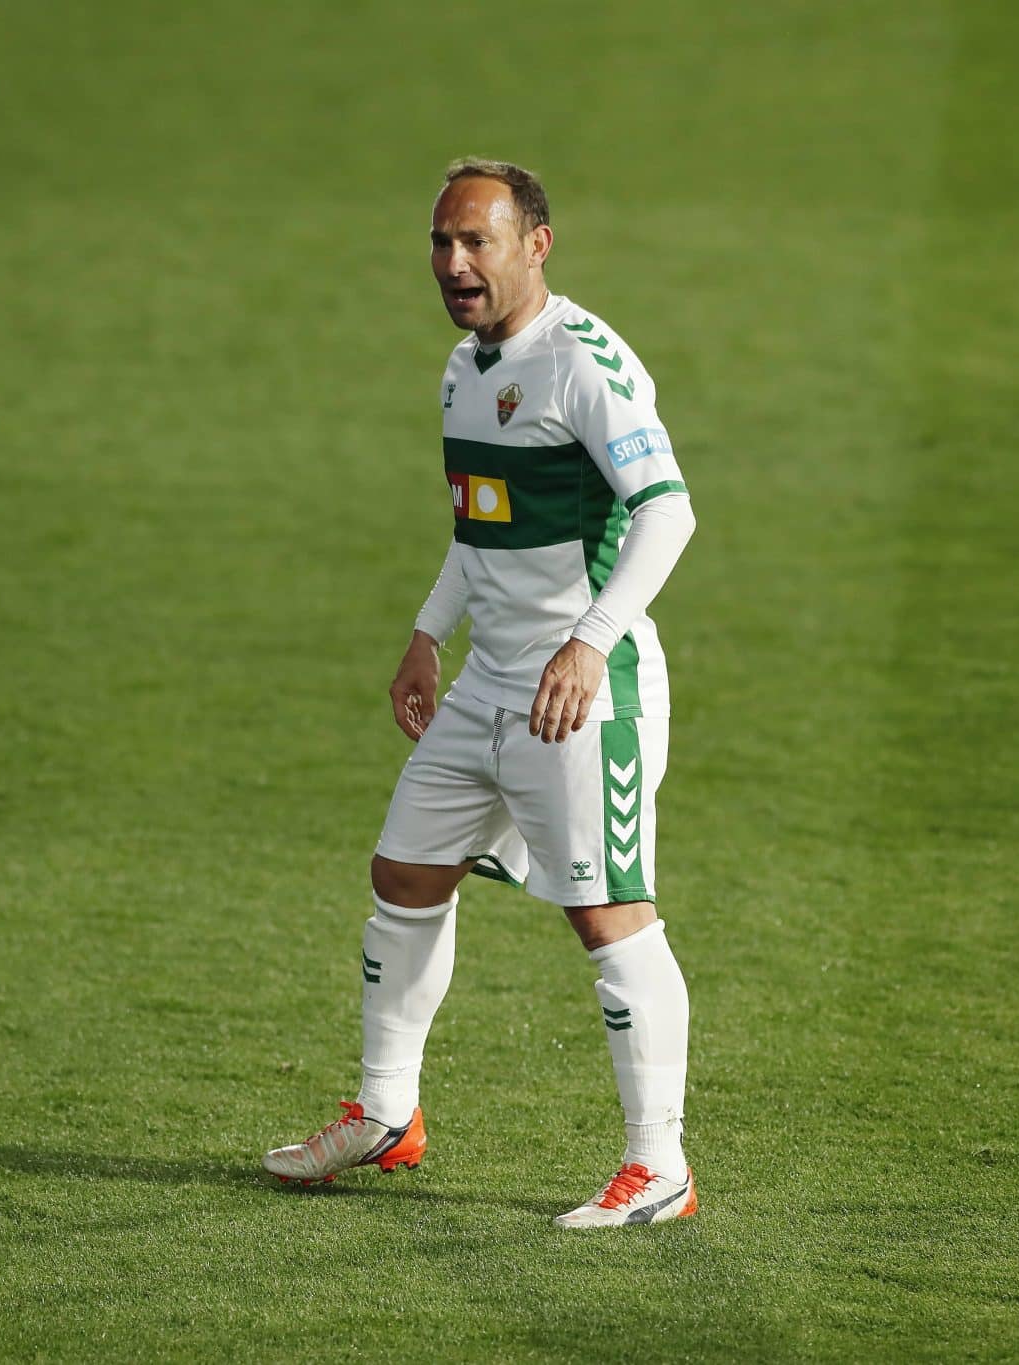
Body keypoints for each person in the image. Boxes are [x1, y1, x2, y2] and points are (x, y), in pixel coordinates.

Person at [262, 158, 699, 1228]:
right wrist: (425, 631)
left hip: (575, 696)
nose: (454, 264)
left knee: (607, 916)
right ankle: (384, 1114)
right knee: (404, 873)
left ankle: (660, 1169)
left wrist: (590, 642)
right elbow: (480, 526)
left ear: (534, 245)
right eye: (440, 243)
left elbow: (666, 511)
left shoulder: (584, 365)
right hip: (486, 684)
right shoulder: (462, 369)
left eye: (477, 243)